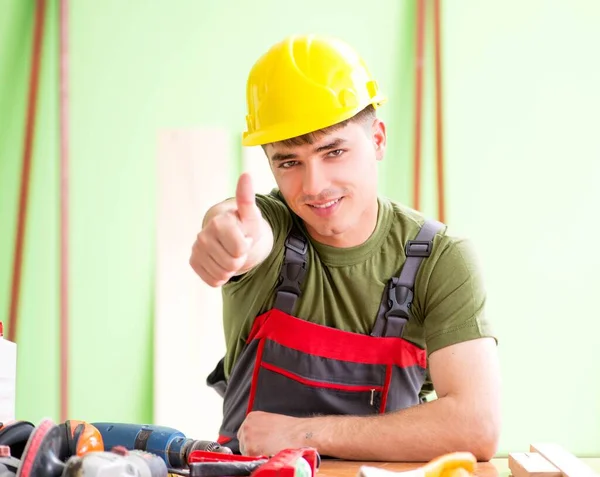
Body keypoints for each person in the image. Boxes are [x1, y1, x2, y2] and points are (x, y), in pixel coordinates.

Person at [189, 34, 501, 462]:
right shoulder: (272, 229)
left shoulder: (441, 260)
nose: (313, 187)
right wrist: (225, 237)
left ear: (377, 140)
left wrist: (304, 434)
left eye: (333, 151)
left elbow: (476, 427)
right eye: (289, 161)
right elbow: (244, 228)